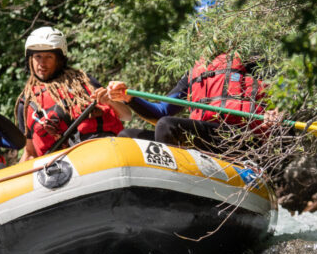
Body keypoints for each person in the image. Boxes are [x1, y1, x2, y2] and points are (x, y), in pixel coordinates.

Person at [107, 52, 281, 153]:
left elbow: (286, 93)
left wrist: (277, 112)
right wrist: (128, 98)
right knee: (127, 136)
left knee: (167, 126)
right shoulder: (195, 71)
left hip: (240, 137)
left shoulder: (249, 59)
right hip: (206, 135)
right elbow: (161, 111)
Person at [15, 26, 132, 161]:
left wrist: (111, 101)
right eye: (37, 56)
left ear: (59, 59)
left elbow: (127, 115)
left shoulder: (83, 81)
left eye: (49, 57)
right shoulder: (27, 102)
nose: (42, 63)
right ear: (30, 59)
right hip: (62, 167)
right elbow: (30, 152)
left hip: (104, 150)